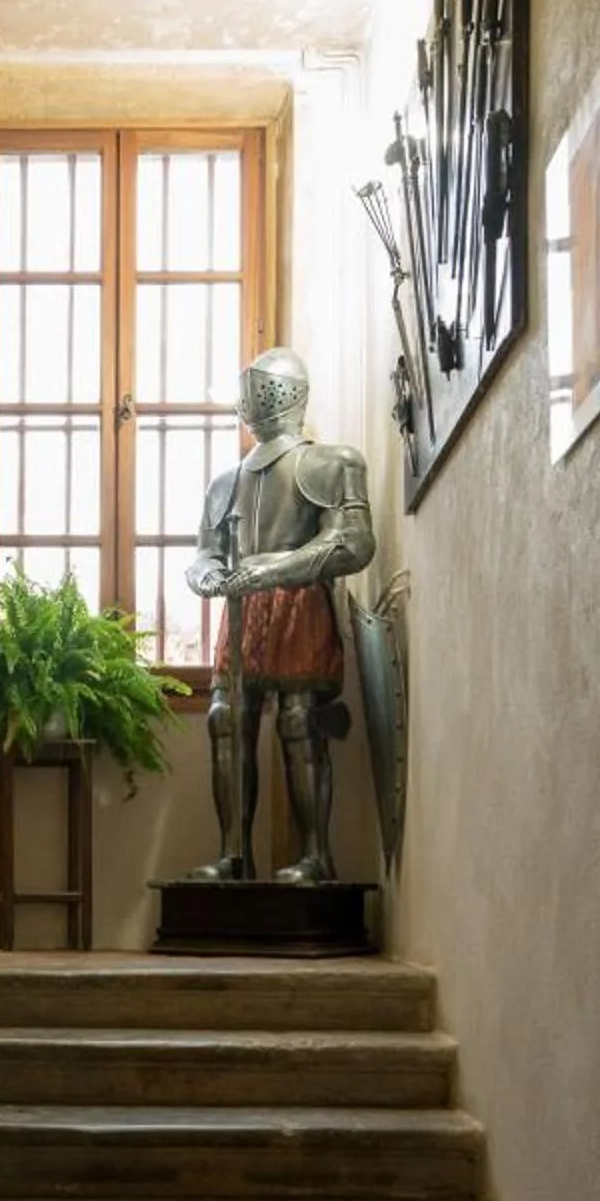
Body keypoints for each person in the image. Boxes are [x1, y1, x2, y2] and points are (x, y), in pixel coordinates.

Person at [186, 346, 373, 884]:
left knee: (300, 720)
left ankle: (317, 855)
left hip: (298, 602)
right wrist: (204, 576)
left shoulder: (331, 462)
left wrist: (272, 569)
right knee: (227, 720)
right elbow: (208, 550)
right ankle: (233, 854)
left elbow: (352, 543)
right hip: (241, 608)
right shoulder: (225, 482)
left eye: (264, 389)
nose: (256, 400)